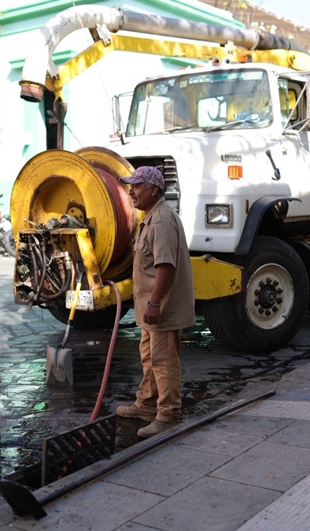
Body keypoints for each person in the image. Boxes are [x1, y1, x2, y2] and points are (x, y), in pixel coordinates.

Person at [115, 166, 195, 438]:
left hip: (162, 309)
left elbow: (166, 267)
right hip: (152, 308)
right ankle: (147, 405)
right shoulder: (151, 217)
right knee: (150, 358)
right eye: (131, 185)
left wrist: (155, 303)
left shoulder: (161, 220)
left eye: (137, 186)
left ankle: (168, 414)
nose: (131, 191)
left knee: (163, 361)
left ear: (153, 189)